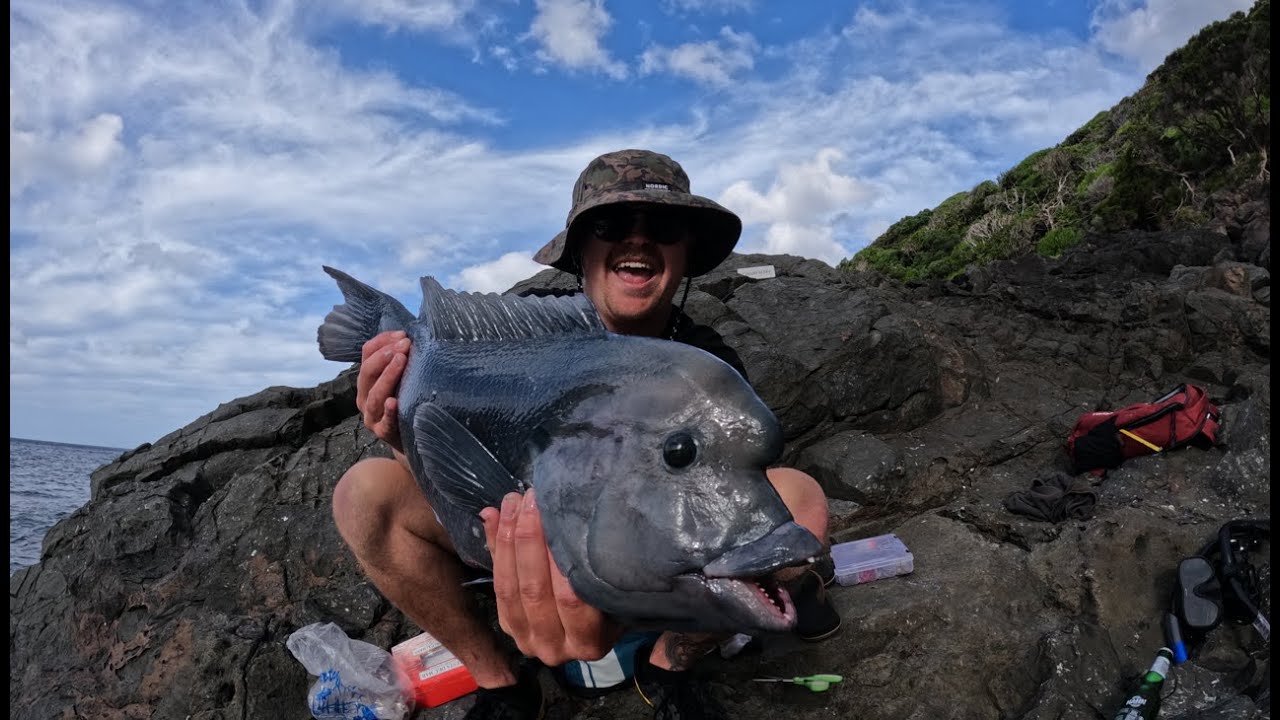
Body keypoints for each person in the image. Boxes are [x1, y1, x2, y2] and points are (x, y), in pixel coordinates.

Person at [332, 149, 839, 720]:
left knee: (801, 500)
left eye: (664, 227)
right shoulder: (519, 336)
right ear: (582, 249)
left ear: (686, 252)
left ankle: (667, 664)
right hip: (502, 530)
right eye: (611, 225)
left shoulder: (705, 362)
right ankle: (500, 683)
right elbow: (446, 454)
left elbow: (722, 481)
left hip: (642, 545)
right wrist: (395, 424)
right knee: (365, 493)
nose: (638, 241)